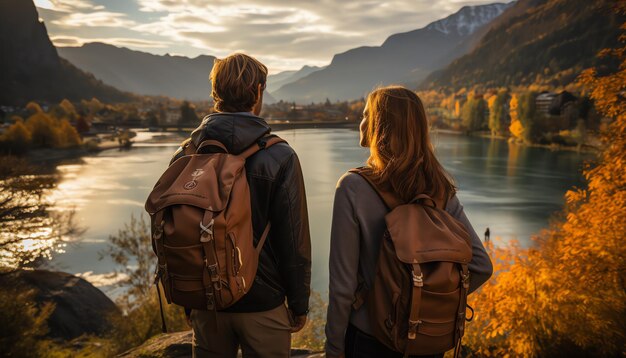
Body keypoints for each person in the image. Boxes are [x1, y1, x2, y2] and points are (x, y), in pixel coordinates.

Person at [325, 86, 493, 358]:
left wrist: (334, 348)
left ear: (381, 125)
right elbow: (482, 266)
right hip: (424, 339)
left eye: (366, 115)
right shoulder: (440, 190)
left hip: (370, 338)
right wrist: (429, 301)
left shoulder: (353, 187)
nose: (361, 121)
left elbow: (342, 287)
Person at [171, 53, 311, 358]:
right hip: (264, 302)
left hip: (207, 301)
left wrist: (188, 298)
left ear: (215, 93)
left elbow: (177, 231)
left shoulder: (185, 156)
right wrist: (299, 305)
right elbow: (293, 240)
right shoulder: (280, 157)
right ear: (259, 92)